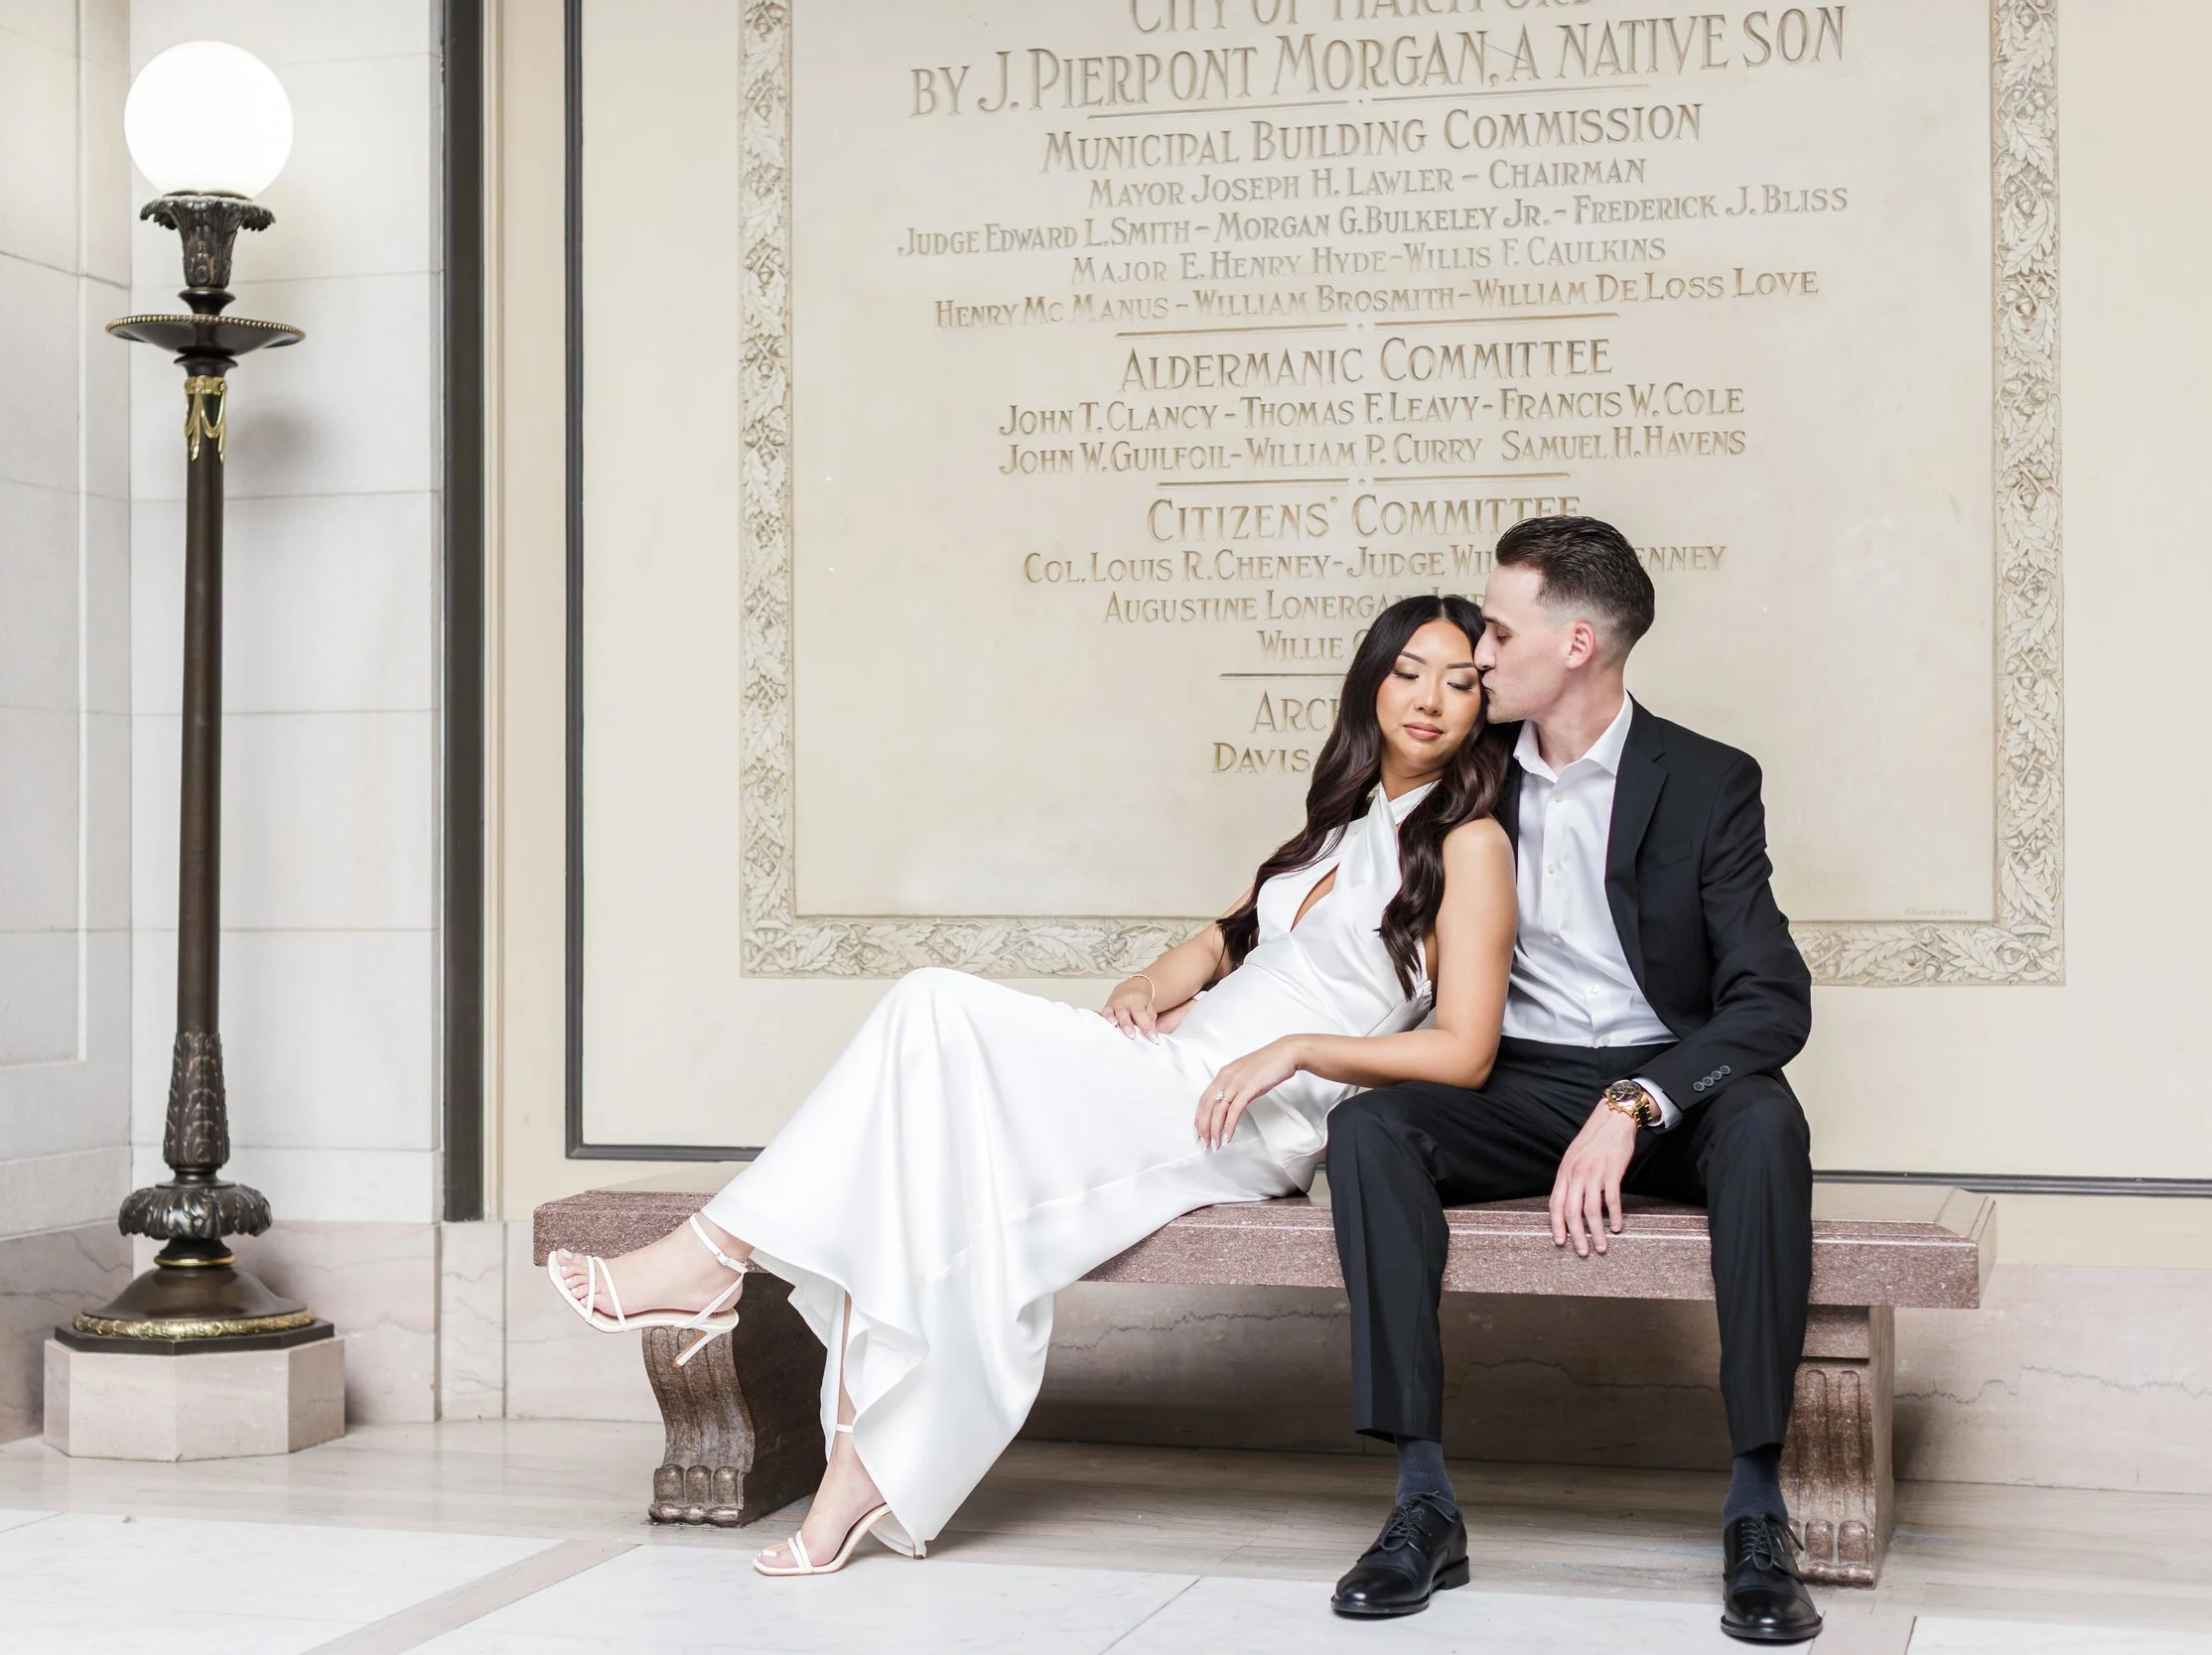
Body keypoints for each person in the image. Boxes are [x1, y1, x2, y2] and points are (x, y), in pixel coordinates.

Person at [548, 595, 1520, 1576]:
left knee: (929, 1005)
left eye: (1460, 679)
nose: (1431, 698)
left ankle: (714, 1255)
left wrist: (1298, 1051)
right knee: (916, 1157)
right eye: (1409, 671)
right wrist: (1146, 986)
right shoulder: (1338, 825)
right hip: (1168, 1069)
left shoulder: (1469, 843)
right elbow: (1221, 941)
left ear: (1486, 704)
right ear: (1370, 681)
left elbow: (1465, 1047)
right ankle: (858, 1469)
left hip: (1239, 1116)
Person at [1323, 517, 1819, 1643]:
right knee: (1370, 1133)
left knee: (1764, 1130)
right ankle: (1421, 1501)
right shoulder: (1469, 777)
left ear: (1579, 642)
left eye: (1497, 632)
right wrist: (1194, 966)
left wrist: (1638, 1101)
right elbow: (1315, 874)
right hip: (1520, 1079)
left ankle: (1755, 1505)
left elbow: (1770, 998)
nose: (1476, 656)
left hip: (1670, 1087)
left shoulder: (1706, 781)